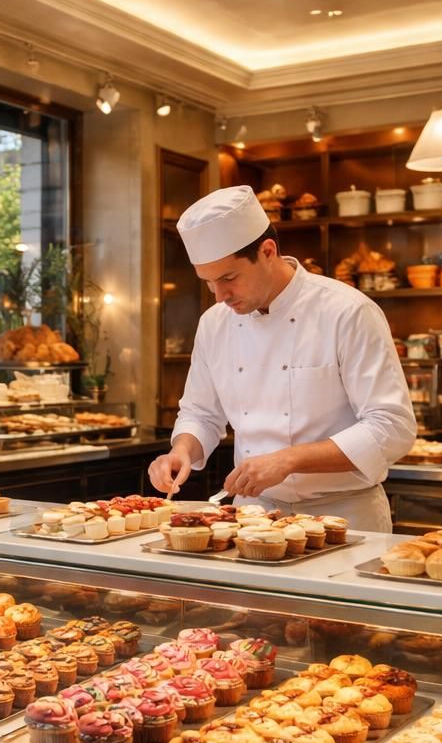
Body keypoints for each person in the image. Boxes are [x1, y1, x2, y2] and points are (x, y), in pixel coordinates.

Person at [147, 185, 416, 532]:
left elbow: (393, 427)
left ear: (268, 251)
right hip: (254, 519)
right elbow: (201, 412)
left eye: (229, 278)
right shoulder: (214, 324)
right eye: (209, 282)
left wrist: (288, 460)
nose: (220, 296)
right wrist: (181, 451)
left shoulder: (347, 312)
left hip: (346, 518)